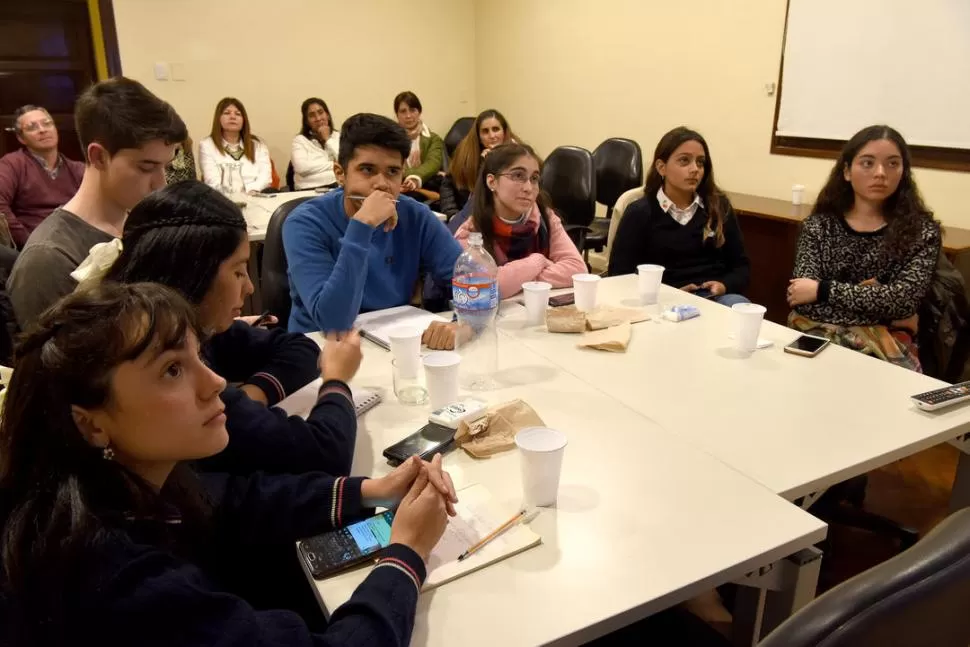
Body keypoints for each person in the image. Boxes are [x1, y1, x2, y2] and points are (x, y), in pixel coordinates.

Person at [0, 281, 457, 646]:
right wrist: (407, 552)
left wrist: (371, 490)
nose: (216, 382)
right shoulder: (119, 583)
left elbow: (235, 500)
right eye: (172, 370)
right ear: (91, 424)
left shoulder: (114, 487)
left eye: (198, 356)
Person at [90, 179, 359, 476]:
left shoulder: (195, 328)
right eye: (238, 271)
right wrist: (336, 381)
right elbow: (325, 455)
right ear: (195, 276)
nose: (249, 288)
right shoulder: (181, 379)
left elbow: (300, 349)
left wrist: (253, 394)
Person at [6, 77, 185, 328]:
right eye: (146, 167)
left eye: (165, 167)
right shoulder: (49, 260)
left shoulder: (140, 224)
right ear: (99, 157)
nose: (160, 185)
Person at [283, 113, 462, 333]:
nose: (381, 184)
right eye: (367, 170)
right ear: (340, 173)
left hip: (394, 339)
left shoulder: (416, 216)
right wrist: (362, 226)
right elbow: (333, 322)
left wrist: (463, 324)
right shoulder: (304, 223)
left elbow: (474, 282)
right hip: (321, 349)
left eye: (393, 172)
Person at [787, 125, 941, 371]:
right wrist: (885, 312)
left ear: (904, 172)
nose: (881, 173)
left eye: (892, 164)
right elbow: (802, 302)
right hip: (815, 337)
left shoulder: (921, 232)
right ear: (847, 171)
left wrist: (822, 290)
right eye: (868, 163)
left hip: (886, 350)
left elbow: (904, 301)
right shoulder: (819, 226)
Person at [607, 127, 750, 307]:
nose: (694, 169)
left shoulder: (718, 207)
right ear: (661, 167)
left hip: (713, 300)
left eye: (700, 162)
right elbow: (620, 275)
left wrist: (723, 285)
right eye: (684, 161)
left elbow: (741, 267)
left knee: (739, 305)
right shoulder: (640, 212)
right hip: (660, 302)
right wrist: (669, 295)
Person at [453, 143, 585, 298]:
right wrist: (537, 261)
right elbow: (487, 288)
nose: (529, 188)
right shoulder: (471, 233)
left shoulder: (545, 218)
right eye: (518, 176)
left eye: (534, 178)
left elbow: (577, 269)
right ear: (491, 182)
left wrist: (516, 279)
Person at [0, 104, 85, 247]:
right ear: (21, 138)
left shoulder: (77, 168)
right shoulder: (12, 164)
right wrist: (28, 242)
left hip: (77, 242)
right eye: (32, 127)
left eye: (47, 124)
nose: (42, 130)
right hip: (35, 246)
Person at [444, 109, 519, 229]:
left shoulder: (519, 155)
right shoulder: (465, 153)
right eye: (485, 131)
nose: (492, 136)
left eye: (496, 129)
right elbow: (447, 184)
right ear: (478, 136)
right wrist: (451, 213)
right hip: (468, 216)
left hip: (506, 218)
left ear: (504, 132)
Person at [199, 97, 271, 193]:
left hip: (255, 194)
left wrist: (250, 190)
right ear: (218, 118)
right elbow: (212, 182)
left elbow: (265, 178)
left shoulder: (258, 145)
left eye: (238, 114)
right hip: (223, 199)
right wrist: (237, 193)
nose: (233, 117)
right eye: (227, 113)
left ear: (244, 120)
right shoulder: (206, 145)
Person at [394, 91, 444, 194]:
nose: (408, 116)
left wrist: (414, 178)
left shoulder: (433, 139)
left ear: (419, 112)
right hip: (397, 188)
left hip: (425, 188)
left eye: (412, 110)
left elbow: (433, 164)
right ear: (397, 115)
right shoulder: (389, 139)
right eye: (403, 111)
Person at [291, 97, 340, 190]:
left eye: (321, 112)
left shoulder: (339, 136)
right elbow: (301, 168)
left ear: (328, 115)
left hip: (336, 188)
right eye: (312, 115)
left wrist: (328, 139)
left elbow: (346, 162)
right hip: (308, 190)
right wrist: (334, 164)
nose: (318, 118)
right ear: (306, 121)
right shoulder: (299, 141)